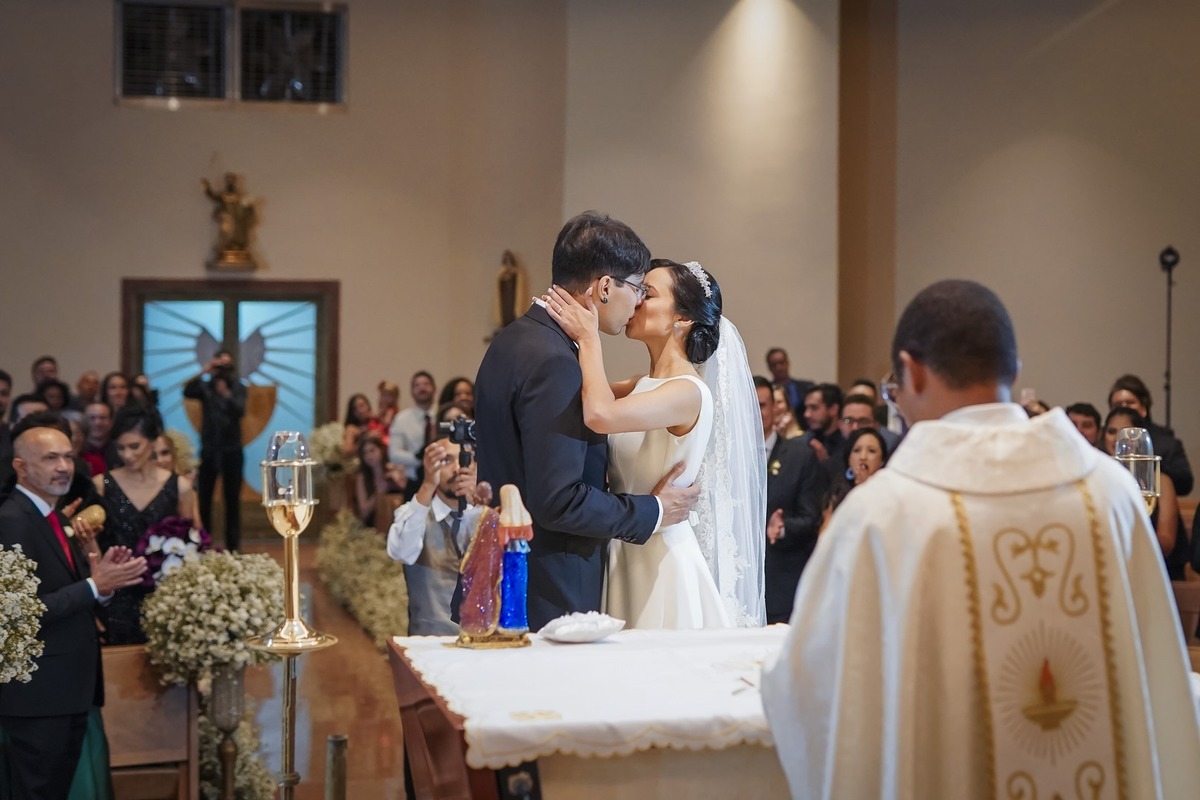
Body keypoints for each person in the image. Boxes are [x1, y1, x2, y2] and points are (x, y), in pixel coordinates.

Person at [761, 279, 1200, 799]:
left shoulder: (882, 516)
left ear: (912, 370)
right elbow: (1163, 693)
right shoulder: (1112, 494)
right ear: (1014, 369)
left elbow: (812, 694)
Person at [473, 211, 701, 630]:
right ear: (605, 287)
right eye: (636, 289)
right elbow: (559, 499)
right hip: (548, 591)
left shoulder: (514, 339)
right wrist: (653, 509)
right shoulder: (556, 360)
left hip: (512, 575)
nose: (636, 303)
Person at [545, 258, 766, 628]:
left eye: (647, 294)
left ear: (682, 318)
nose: (635, 301)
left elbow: (600, 415)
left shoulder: (687, 392)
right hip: (625, 546)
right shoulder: (640, 385)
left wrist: (589, 338)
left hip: (661, 558)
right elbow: (574, 395)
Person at [0, 412, 147, 800]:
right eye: (50, 458)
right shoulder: (12, 520)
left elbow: (75, 590)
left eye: (67, 456)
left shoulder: (50, 516)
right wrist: (92, 586)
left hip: (66, 688)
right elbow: (15, 614)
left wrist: (102, 578)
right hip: (36, 695)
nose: (64, 467)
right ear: (20, 466)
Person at [88, 405, 195, 645]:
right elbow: (92, 544)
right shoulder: (102, 484)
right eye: (121, 448)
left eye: (134, 446)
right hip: (118, 594)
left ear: (153, 442)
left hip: (165, 594)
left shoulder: (179, 488)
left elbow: (190, 546)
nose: (127, 455)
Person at [387, 437, 488, 635]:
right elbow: (401, 552)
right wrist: (427, 485)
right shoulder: (414, 514)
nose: (458, 468)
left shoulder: (488, 516)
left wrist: (477, 504)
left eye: (464, 459)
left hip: (483, 645)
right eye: (446, 461)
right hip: (429, 645)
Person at [757, 377, 824, 625]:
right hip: (736, 582)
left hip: (780, 582)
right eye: (750, 404)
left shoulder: (799, 456)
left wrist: (783, 527)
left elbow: (811, 518)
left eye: (762, 405)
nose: (756, 412)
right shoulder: (725, 457)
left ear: (775, 409)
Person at [1102, 406, 1187, 579]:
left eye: (1126, 432)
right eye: (1111, 431)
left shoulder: (1161, 481)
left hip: (1156, 570)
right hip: (1111, 568)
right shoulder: (1100, 479)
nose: (1118, 439)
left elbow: (1167, 542)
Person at [183, 350, 246, 550]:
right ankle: (204, 543)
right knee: (204, 500)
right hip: (210, 450)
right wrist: (205, 370)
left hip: (232, 451)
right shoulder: (205, 387)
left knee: (232, 501)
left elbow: (240, 409)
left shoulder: (238, 388)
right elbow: (187, 390)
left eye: (227, 367)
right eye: (220, 366)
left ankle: (233, 547)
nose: (222, 371)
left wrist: (225, 394)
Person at [1107, 373, 1192, 496]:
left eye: (1130, 403)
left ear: (1144, 408)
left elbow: (1185, 485)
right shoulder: (1106, 440)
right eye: (1118, 405)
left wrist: (1147, 465)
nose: (1125, 408)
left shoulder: (1166, 443)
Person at [388, 371, 438, 492]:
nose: (422, 388)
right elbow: (394, 454)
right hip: (414, 482)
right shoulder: (402, 419)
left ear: (434, 389)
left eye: (426, 384)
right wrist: (419, 458)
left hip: (443, 481)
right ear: (411, 391)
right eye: (417, 385)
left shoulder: (444, 414)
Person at [355, 433, 405, 528]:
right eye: (365, 453)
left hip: (398, 521)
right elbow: (364, 511)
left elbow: (407, 492)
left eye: (372, 451)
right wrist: (378, 493)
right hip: (374, 525)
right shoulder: (362, 477)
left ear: (381, 450)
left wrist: (396, 480)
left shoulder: (393, 468)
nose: (369, 456)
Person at [766, 348, 813, 415]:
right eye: (774, 364)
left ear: (788, 363)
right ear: (769, 367)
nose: (778, 367)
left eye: (781, 362)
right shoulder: (767, 391)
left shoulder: (807, 387)